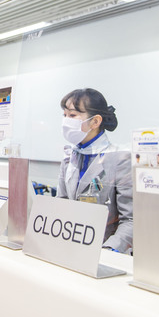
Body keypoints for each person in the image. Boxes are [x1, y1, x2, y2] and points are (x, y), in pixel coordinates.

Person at [56, 88, 133, 253]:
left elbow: (131, 221)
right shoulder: (70, 157)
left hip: (105, 250)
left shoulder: (121, 159)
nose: (66, 121)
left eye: (72, 115)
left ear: (95, 122)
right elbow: (60, 205)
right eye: (64, 115)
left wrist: (109, 250)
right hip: (69, 247)